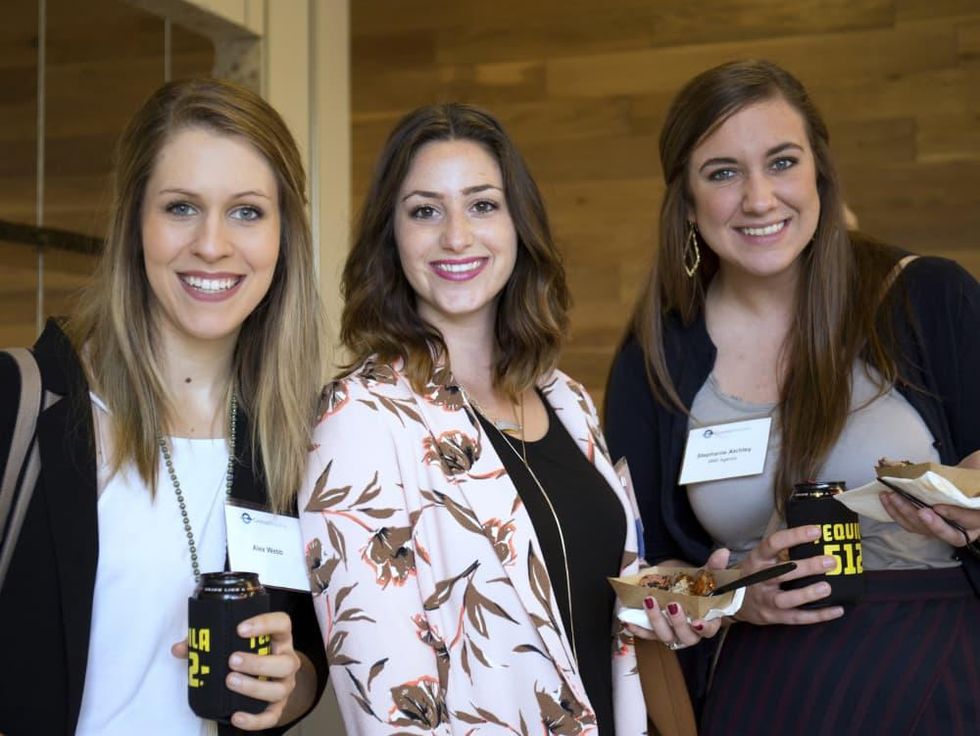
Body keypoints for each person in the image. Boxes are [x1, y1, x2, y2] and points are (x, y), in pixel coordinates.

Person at [604, 59, 980, 734]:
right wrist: (727, 597)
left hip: (943, 671)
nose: (758, 198)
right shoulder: (654, 358)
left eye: (781, 162)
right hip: (765, 692)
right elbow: (636, 590)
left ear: (819, 173)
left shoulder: (928, 296)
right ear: (687, 203)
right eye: (723, 173)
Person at [298, 102, 649, 734]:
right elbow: (390, 706)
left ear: (519, 225)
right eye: (425, 211)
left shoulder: (567, 399)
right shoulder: (359, 416)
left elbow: (591, 606)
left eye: (483, 205)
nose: (456, 236)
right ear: (391, 236)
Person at [0, 78, 328, 735]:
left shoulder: (296, 434)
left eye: (247, 212)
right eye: (181, 207)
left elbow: (305, 668)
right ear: (135, 223)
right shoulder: (24, 406)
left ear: (284, 235)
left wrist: (282, 687)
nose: (212, 244)